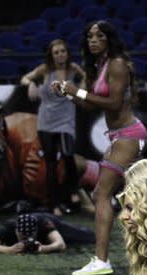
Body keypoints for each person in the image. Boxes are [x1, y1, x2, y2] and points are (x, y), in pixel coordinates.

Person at [52, 20, 147, 275]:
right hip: (118, 136)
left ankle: (102, 260)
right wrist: (68, 93)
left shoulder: (116, 64)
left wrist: (78, 92)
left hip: (128, 134)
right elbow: (90, 106)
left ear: (109, 40)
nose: (93, 40)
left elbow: (114, 103)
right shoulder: (100, 66)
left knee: (101, 194)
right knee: (133, 195)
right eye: (90, 36)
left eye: (99, 36)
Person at [21, 39, 86, 216]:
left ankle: (72, 192)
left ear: (67, 53)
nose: (60, 55)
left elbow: (85, 81)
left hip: (66, 120)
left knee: (68, 155)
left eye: (62, 51)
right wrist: (31, 84)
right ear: (51, 55)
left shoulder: (73, 69)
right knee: (50, 163)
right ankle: (54, 204)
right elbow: (25, 78)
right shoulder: (44, 70)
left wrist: (81, 88)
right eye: (56, 52)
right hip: (46, 121)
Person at [0, 201, 95, 255]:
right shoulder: (8, 226)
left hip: (50, 220)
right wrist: (8, 250)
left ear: (36, 231)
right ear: (16, 231)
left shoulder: (42, 223)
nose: (27, 240)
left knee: (89, 237)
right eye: (23, 237)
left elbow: (61, 244)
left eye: (30, 236)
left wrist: (44, 248)